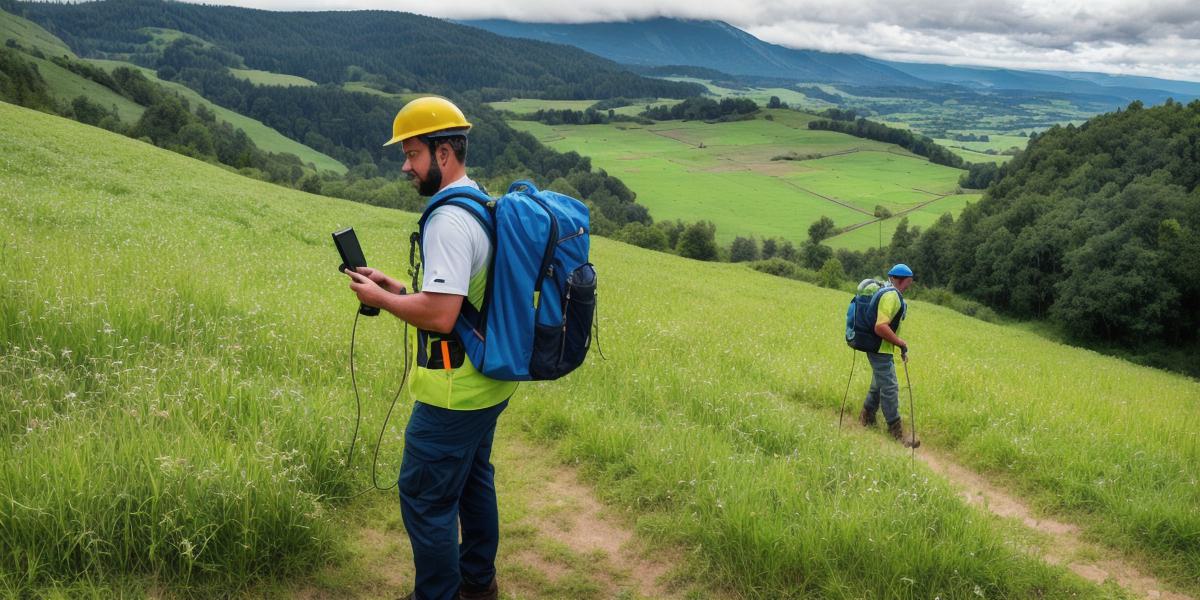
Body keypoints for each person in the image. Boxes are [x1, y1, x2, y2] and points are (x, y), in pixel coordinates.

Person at [345, 96, 516, 600]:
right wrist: (395, 287)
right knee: (473, 480)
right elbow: (460, 299)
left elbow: (441, 315)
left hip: (452, 391)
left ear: (443, 153)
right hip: (490, 379)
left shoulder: (446, 220)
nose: (405, 165)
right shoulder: (478, 201)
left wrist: (377, 299)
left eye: (412, 153)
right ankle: (479, 583)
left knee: (425, 497)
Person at [858, 263, 919, 448]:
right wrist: (900, 343)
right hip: (879, 349)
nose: (909, 285)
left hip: (880, 348)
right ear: (902, 280)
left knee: (878, 385)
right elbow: (880, 326)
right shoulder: (891, 296)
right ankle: (896, 433)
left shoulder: (888, 291)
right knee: (890, 388)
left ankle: (866, 418)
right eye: (909, 281)